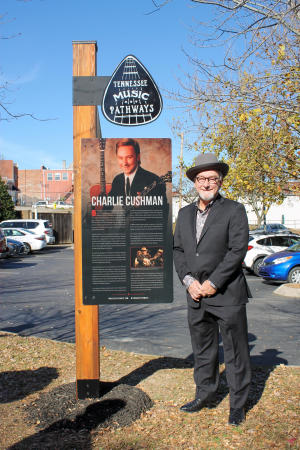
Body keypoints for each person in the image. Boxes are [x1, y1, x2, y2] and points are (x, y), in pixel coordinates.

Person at [173, 153, 251, 426]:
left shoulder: (234, 210)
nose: (207, 183)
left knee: (235, 353)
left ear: (220, 181)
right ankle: (204, 394)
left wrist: (213, 283)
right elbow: (179, 250)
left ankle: (237, 406)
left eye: (213, 178)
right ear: (194, 182)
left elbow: (237, 250)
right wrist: (189, 282)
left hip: (227, 295)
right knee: (203, 350)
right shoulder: (183, 214)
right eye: (202, 178)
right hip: (195, 296)